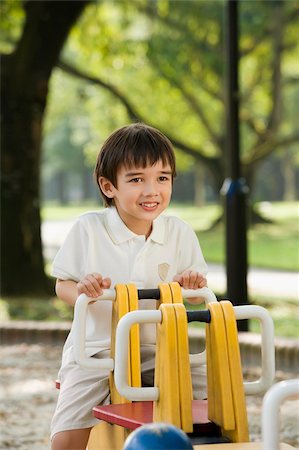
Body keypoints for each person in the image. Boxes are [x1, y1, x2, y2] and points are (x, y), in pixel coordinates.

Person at [51, 123, 208, 450]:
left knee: (211, 393)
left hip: (160, 348)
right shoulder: (90, 229)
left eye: (162, 178)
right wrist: (83, 291)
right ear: (109, 187)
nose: (152, 190)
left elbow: (195, 293)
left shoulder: (178, 233)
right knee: (67, 435)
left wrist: (191, 285)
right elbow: (62, 285)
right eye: (137, 179)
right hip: (98, 351)